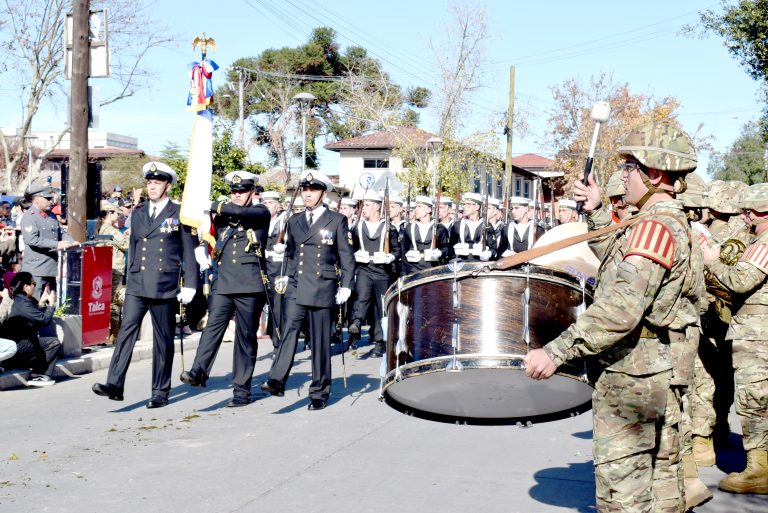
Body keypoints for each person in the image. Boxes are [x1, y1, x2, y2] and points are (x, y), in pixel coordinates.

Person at [524, 122, 703, 512]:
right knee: (661, 486)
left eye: (630, 168)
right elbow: (621, 262)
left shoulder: (655, 226)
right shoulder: (658, 221)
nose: (623, 175)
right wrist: (599, 211)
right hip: (655, 371)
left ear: (654, 174)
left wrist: (556, 351)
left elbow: (621, 309)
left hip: (633, 377)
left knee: (623, 495)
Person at [92, 162, 200, 409]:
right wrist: (130, 278)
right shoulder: (138, 213)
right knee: (126, 332)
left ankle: (160, 390)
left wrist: (191, 284)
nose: (152, 187)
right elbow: (134, 248)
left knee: (163, 340)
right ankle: (114, 384)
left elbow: (189, 251)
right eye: (149, 183)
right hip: (138, 283)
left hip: (164, 284)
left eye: (157, 183)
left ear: (167, 186)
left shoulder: (179, 213)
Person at [260, 171, 355, 410]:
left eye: (312, 190)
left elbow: (346, 256)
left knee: (320, 341)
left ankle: (319, 392)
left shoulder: (336, 220)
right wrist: (284, 273)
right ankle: (277, 379)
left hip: (323, 286)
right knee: (289, 330)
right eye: (304, 190)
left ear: (323, 193)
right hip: (297, 284)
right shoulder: (294, 221)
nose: (307, 194)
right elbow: (292, 254)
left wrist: (346, 285)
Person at [179, 171, 271, 407]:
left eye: (242, 191)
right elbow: (209, 233)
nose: (237, 195)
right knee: (212, 328)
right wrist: (201, 244)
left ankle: (241, 390)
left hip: (250, 284)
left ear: (252, 192)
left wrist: (210, 203)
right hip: (223, 283)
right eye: (234, 191)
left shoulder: (260, 212)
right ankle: (199, 371)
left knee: (245, 337)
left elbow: (238, 212)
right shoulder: (221, 215)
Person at [699, 182, 768, 495]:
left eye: (750, 212)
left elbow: (741, 280)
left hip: (758, 336)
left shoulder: (765, 242)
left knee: (755, 400)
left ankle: (759, 471)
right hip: (756, 333)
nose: (746, 218)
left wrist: (712, 258)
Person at [348, 189, 400, 357]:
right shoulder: (358, 227)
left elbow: (398, 251)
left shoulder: (389, 228)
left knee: (380, 309)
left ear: (378, 207)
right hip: (364, 269)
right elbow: (351, 247)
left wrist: (390, 257)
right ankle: (356, 323)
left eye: (368, 205)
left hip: (382, 273)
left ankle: (380, 342)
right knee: (361, 296)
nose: (364, 208)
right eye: (364, 205)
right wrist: (355, 254)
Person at [3, 272, 61, 386]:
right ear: (26, 286)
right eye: (33, 283)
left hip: (19, 344)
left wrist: (41, 303)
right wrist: (52, 305)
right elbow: (44, 320)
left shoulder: (21, 300)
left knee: (41, 343)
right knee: (53, 343)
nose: (35, 286)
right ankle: (38, 375)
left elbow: (34, 317)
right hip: (18, 346)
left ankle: (34, 370)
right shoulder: (22, 303)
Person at [20, 186, 78, 299]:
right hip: (36, 268)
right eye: (47, 198)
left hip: (51, 267)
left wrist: (72, 242)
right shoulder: (29, 217)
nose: (50, 201)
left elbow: (60, 232)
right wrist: (56, 244)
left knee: (50, 303)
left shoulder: (51, 215)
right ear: (37, 200)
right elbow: (32, 240)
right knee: (35, 302)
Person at [98, 201, 130, 343]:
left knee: (108, 301)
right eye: (116, 213)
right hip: (114, 268)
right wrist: (129, 234)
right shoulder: (110, 230)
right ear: (110, 214)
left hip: (106, 268)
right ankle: (114, 335)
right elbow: (125, 244)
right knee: (115, 302)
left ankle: (110, 333)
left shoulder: (101, 227)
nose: (118, 216)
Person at [262, 190, 288, 350]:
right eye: (265, 203)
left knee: (278, 305)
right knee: (267, 303)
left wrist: (285, 246)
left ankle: (278, 342)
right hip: (263, 266)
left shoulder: (285, 220)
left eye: (271, 203)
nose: (267, 206)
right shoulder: (260, 221)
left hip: (279, 268)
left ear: (278, 205)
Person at [400, 195, 448, 276]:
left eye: (419, 207)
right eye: (416, 207)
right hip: (413, 270)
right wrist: (404, 273)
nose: (416, 209)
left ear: (429, 210)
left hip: (433, 269)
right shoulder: (409, 228)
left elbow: (446, 248)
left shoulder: (440, 228)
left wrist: (440, 252)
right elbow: (404, 251)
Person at [448, 193, 495, 262]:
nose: (464, 207)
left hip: (480, 266)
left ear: (477, 207)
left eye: (468, 204)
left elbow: (494, 248)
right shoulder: (457, 225)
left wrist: (489, 253)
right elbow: (451, 248)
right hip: (461, 265)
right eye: (464, 204)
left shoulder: (487, 225)